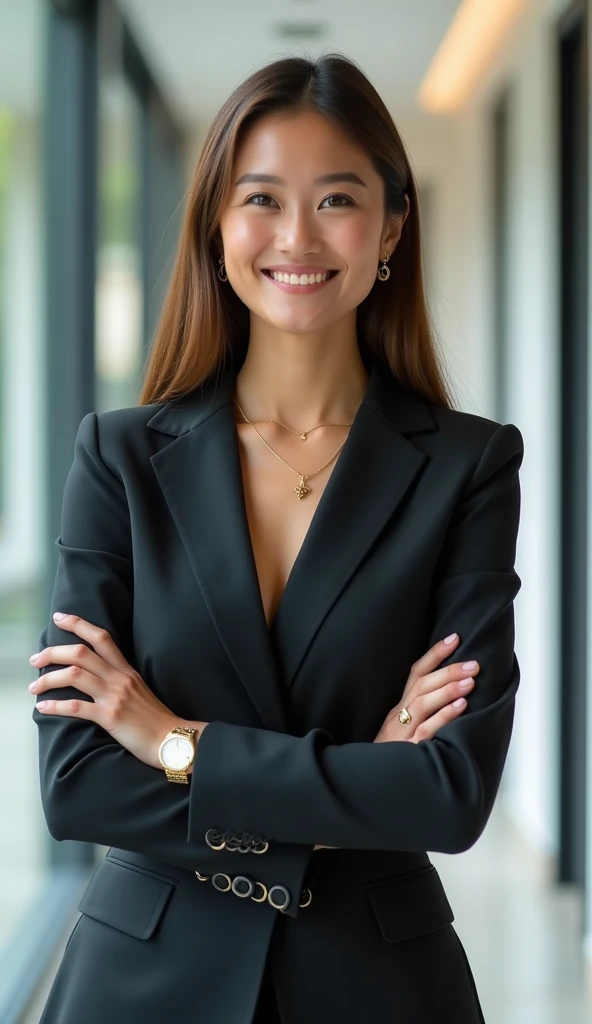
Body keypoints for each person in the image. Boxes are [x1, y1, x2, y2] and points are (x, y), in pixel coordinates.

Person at [31, 52, 523, 1024]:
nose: (297, 235)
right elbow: (78, 783)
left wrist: (173, 741)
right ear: (217, 225)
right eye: (261, 197)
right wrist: (354, 787)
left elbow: (448, 790)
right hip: (142, 982)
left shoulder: (467, 466)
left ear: (390, 225)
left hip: (377, 986)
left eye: (336, 198)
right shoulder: (120, 459)